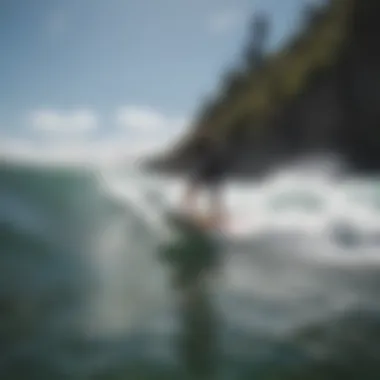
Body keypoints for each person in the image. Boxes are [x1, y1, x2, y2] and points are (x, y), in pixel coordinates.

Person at [181, 140, 229, 231]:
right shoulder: (208, 157)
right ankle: (217, 217)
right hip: (214, 176)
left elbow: (199, 176)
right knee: (212, 197)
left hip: (213, 176)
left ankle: (216, 218)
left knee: (210, 196)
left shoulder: (207, 159)